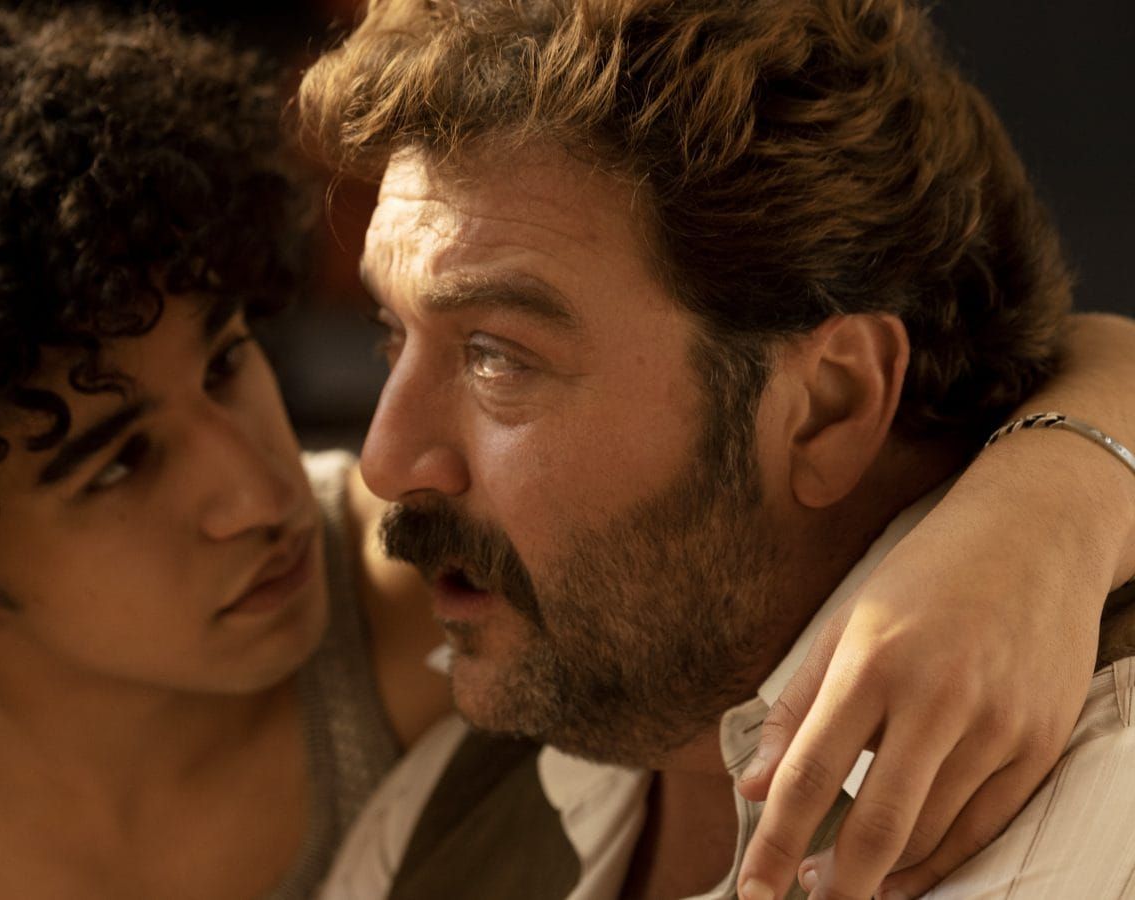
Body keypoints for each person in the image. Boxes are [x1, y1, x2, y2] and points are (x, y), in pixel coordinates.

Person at [0, 4, 1129, 899]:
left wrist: (1051, 495)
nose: (309, 482)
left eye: (231, 359)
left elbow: (986, 372)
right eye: (112, 462)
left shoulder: (431, 604)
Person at [298, 1, 1135, 898]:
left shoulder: (1095, 825)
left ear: (830, 405)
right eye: (392, 333)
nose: (386, 462)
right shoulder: (462, 794)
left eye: (496, 356)